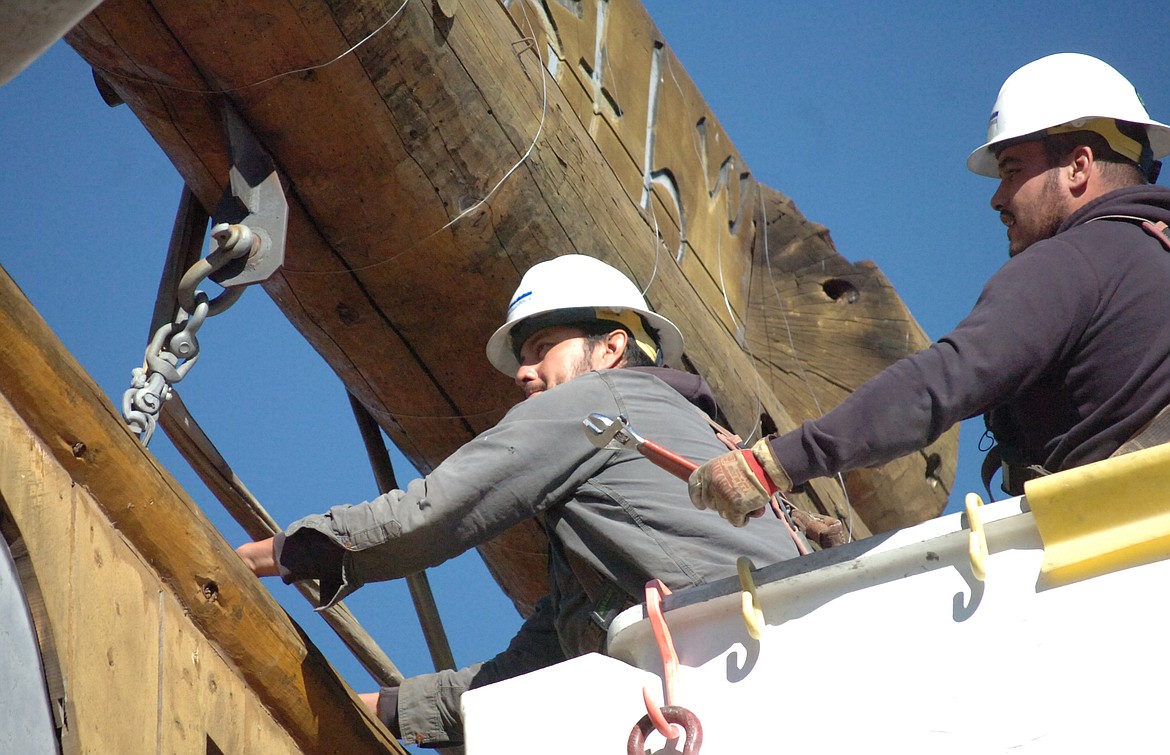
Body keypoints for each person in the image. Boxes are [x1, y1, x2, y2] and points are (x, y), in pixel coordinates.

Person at [236, 254, 800, 747]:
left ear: (611, 348)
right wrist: (380, 710)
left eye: (542, 347)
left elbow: (430, 514)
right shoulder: (655, 469)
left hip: (722, 669)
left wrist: (256, 560)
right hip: (764, 678)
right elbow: (535, 669)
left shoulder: (601, 401)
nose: (524, 372)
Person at [689, 52, 1170, 526]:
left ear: (1078, 167)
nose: (998, 199)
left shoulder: (1079, 258)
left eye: (1012, 169)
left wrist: (773, 464)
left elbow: (943, 383)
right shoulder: (1146, 260)